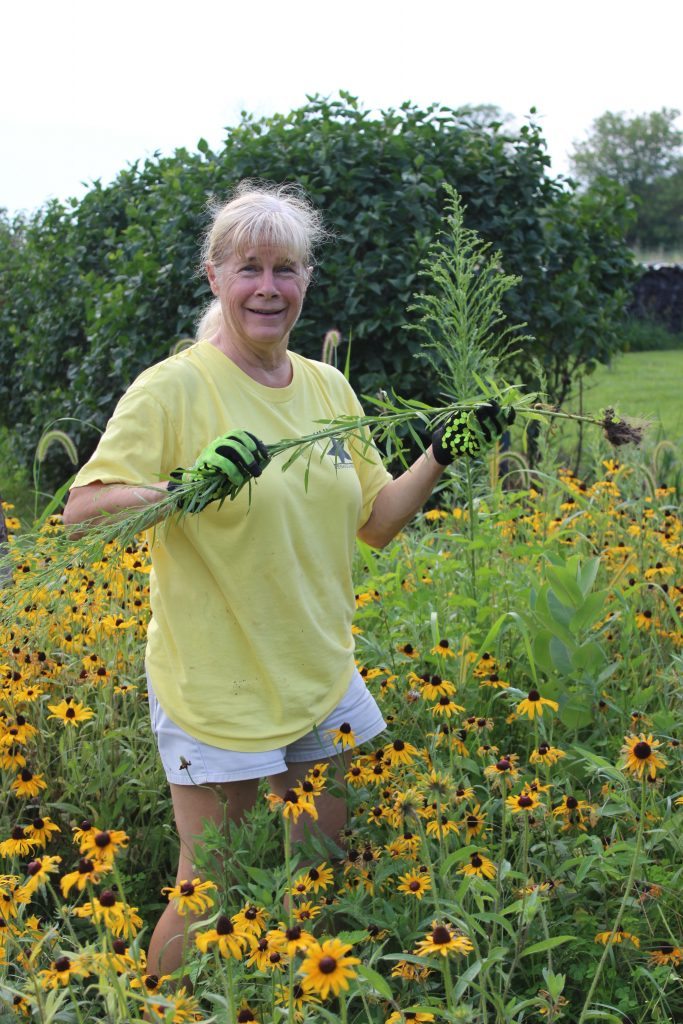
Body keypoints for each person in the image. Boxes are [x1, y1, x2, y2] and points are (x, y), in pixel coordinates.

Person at [62, 180, 508, 980]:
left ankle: (297, 991)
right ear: (215, 278)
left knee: (322, 859)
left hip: (317, 668)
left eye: (285, 269)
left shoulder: (327, 388)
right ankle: (144, 1000)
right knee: (211, 886)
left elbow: (374, 521)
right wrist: (184, 488)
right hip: (218, 680)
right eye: (248, 268)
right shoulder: (175, 387)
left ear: (305, 281)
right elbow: (82, 509)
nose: (267, 287)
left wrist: (442, 452)